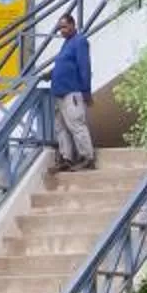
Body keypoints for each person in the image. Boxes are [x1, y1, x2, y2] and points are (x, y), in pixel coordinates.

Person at [48, 11, 96, 172]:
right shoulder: (66, 43)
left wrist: (86, 91)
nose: (62, 31)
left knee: (76, 125)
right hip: (60, 93)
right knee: (61, 127)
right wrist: (50, 74)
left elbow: (84, 67)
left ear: (73, 25)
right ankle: (66, 158)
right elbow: (65, 65)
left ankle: (87, 158)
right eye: (60, 28)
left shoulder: (79, 41)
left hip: (72, 93)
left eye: (65, 27)